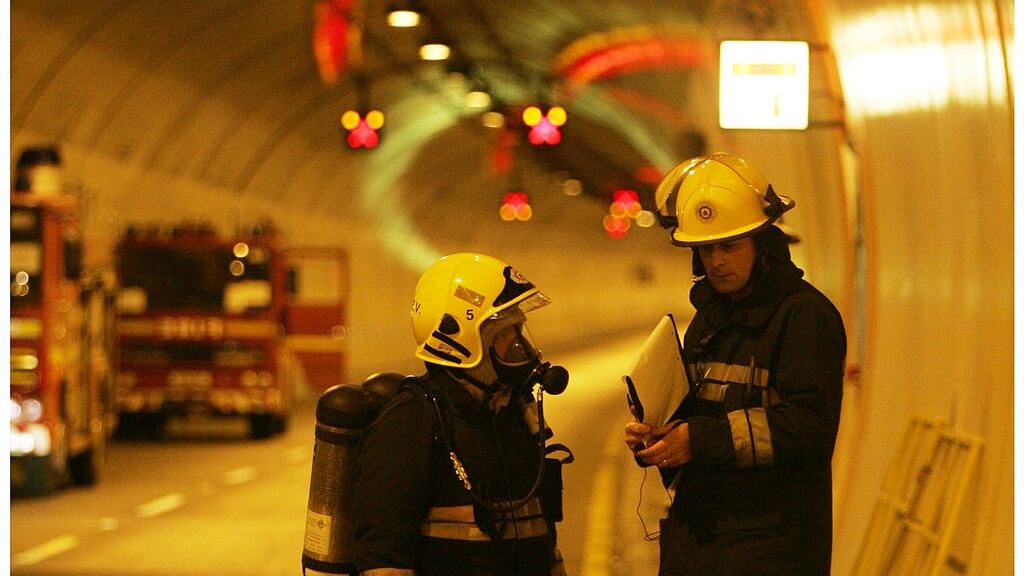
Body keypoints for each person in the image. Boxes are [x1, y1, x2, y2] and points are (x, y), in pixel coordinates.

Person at [625, 153, 846, 575]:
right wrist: (662, 437)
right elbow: (700, 416)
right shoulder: (711, 319)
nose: (717, 262)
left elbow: (810, 427)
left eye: (729, 246)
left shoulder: (804, 317)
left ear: (761, 244)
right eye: (706, 250)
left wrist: (698, 440)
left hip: (772, 548)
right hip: (703, 542)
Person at [352, 252, 570, 576]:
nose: (520, 346)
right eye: (505, 334)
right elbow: (384, 560)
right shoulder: (412, 422)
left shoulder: (511, 415)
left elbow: (542, 540)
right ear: (461, 339)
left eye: (519, 331)